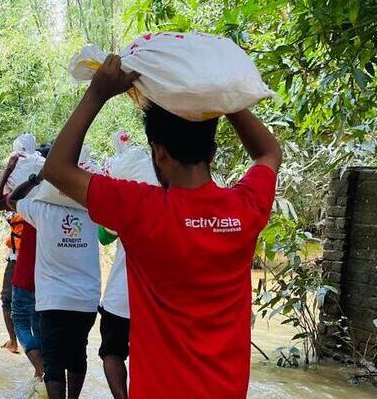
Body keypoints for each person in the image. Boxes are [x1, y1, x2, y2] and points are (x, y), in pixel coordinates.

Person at [42, 55, 280, 398]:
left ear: (159, 153)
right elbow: (269, 152)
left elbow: (57, 168)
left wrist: (97, 94)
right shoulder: (244, 208)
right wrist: (226, 101)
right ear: (212, 152)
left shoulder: (140, 209)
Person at [8, 172, 100, 399]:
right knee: (78, 353)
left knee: (52, 359)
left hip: (52, 299)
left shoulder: (41, 211)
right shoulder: (93, 211)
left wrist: (35, 179)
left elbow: (11, 199)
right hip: (86, 299)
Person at [0, 153, 45, 383]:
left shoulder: (27, 200)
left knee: (15, 308)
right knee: (38, 314)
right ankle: (43, 368)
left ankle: (38, 366)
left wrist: (9, 170)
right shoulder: (54, 198)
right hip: (48, 265)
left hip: (22, 261)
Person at [96, 226, 128, 399]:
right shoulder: (182, 205)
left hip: (120, 298)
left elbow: (104, 237)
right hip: (161, 301)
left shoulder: (129, 202)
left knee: (112, 353)